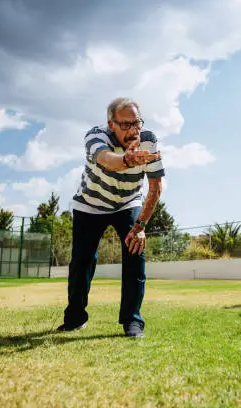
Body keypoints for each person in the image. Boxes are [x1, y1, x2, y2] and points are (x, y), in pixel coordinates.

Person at [57, 97, 165, 337]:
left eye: (136, 123)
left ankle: (132, 320)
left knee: (135, 254)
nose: (133, 130)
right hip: (90, 204)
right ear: (111, 124)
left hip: (128, 202)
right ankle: (75, 318)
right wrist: (128, 160)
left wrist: (140, 226)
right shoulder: (96, 136)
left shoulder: (148, 140)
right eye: (125, 125)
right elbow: (108, 160)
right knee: (82, 262)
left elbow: (156, 187)